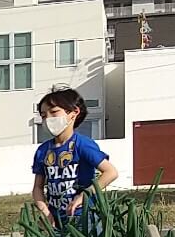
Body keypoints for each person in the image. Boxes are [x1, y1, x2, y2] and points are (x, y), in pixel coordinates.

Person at [31, 86, 117, 229]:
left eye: (53, 112)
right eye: (44, 115)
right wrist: (45, 211)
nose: (48, 119)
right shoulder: (43, 150)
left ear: (73, 113)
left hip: (83, 217)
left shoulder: (83, 144)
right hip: (55, 219)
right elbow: (37, 188)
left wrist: (84, 196)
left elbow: (110, 172)